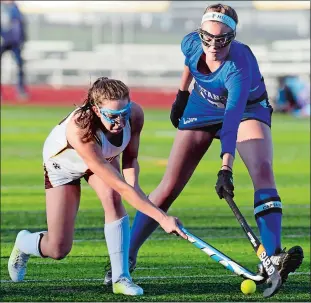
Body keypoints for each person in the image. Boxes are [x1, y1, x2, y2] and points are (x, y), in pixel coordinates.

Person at [104, 3, 304, 293]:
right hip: (202, 104)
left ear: (232, 38)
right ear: (200, 34)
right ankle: (125, 259)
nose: (212, 45)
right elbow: (189, 60)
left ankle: (272, 257)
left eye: (221, 40)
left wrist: (226, 169)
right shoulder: (191, 42)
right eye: (207, 38)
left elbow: (232, 121)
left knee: (262, 171)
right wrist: (181, 96)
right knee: (169, 185)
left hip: (246, 109)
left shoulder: (237, 68)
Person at [8, 77, 187, 296]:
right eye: (112, 116)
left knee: (113, 199)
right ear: (96, 109)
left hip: (101, 157)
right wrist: (161, 217)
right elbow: (121, 185)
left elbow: (130, 159)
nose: (119, 122)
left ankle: (121, 278)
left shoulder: (135, 115)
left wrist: (136, 186)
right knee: (58, 249)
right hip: (64, 166)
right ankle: (25, 241)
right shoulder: (81, 131)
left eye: (124, 113)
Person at [1, 0, 28, 100]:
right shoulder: (3, 8)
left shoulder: (15, 8)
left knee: (20, 66)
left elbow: (21, 26)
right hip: (3, 41)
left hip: (15, 42)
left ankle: (21, 90)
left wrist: (22, 39)